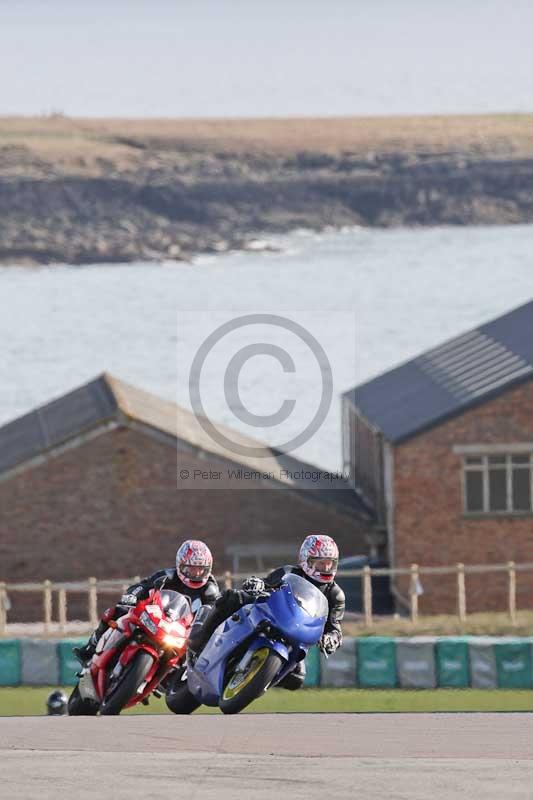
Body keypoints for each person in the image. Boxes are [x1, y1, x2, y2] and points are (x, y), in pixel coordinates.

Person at [188, 534, 344, 690]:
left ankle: (256, 682)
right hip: (272, 614)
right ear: (306, 560)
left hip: (296, 636)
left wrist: (331, 638)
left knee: (297, 678)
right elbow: (266, 583)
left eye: (329, 564)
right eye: (320, 563)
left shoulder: (335, 594)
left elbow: (335, 626)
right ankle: (200, 641)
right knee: (231, 597)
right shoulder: (288, 572)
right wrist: (256, 584)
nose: (325, 568)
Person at [74, 539, 219, 664]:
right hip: (155, 618)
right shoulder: (168, 575)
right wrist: (131, 597)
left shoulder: (210, 590)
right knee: (115, 612)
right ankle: (91, 647)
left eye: (201, 569)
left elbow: (215, 613)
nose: (196, 573)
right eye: (192, 568)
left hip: (183, 634)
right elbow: (142, 586)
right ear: (180, 565)